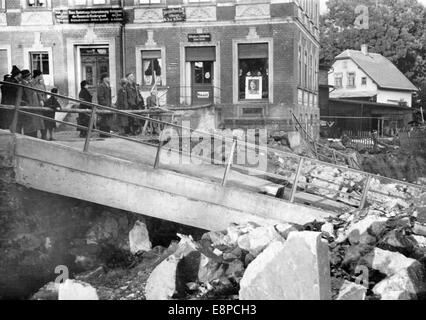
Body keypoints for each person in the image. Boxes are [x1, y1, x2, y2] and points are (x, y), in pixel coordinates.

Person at [16, 69, 45, 138]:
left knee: (36, 121)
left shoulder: (30, 83)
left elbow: (37, 91)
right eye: (29, 75)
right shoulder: (22, 84)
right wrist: (25, 104)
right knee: (30, 122)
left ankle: (36, 135)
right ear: (26, 76)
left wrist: (41, 100)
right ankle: (30, 136)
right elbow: (20, 96)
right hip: (28, 105)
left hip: (35, 104)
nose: (30, 76)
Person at [0, 66, 22, 130]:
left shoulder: (11, 81)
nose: (20, 77)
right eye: (20, 75)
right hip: (9, 101)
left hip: (8, 101)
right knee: (9, 117)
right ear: (17, 75)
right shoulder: (12, 82)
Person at [32, 70, 47, 139]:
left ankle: (44, 135)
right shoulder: (33, 83)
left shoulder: (41, 83)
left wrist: (45, 101)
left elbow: (45, 93)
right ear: (38, 75)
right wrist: (41, 99)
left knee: (44, 120)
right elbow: (36, 92)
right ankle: (36, 135)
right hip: (37, 103)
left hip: (43, 103)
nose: (42, 76)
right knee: (38, 120)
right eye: (41, 75)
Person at [97, 73, 112, 138]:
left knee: (107, 120)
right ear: (104, 79)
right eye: (107, 77)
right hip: (103, 106)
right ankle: (103, 134)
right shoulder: (101, 86)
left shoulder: (108, 86)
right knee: (103, 120)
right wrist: (104, 104)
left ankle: (107, 133)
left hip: (108, 105)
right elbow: (100, 96)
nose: (109, 79)